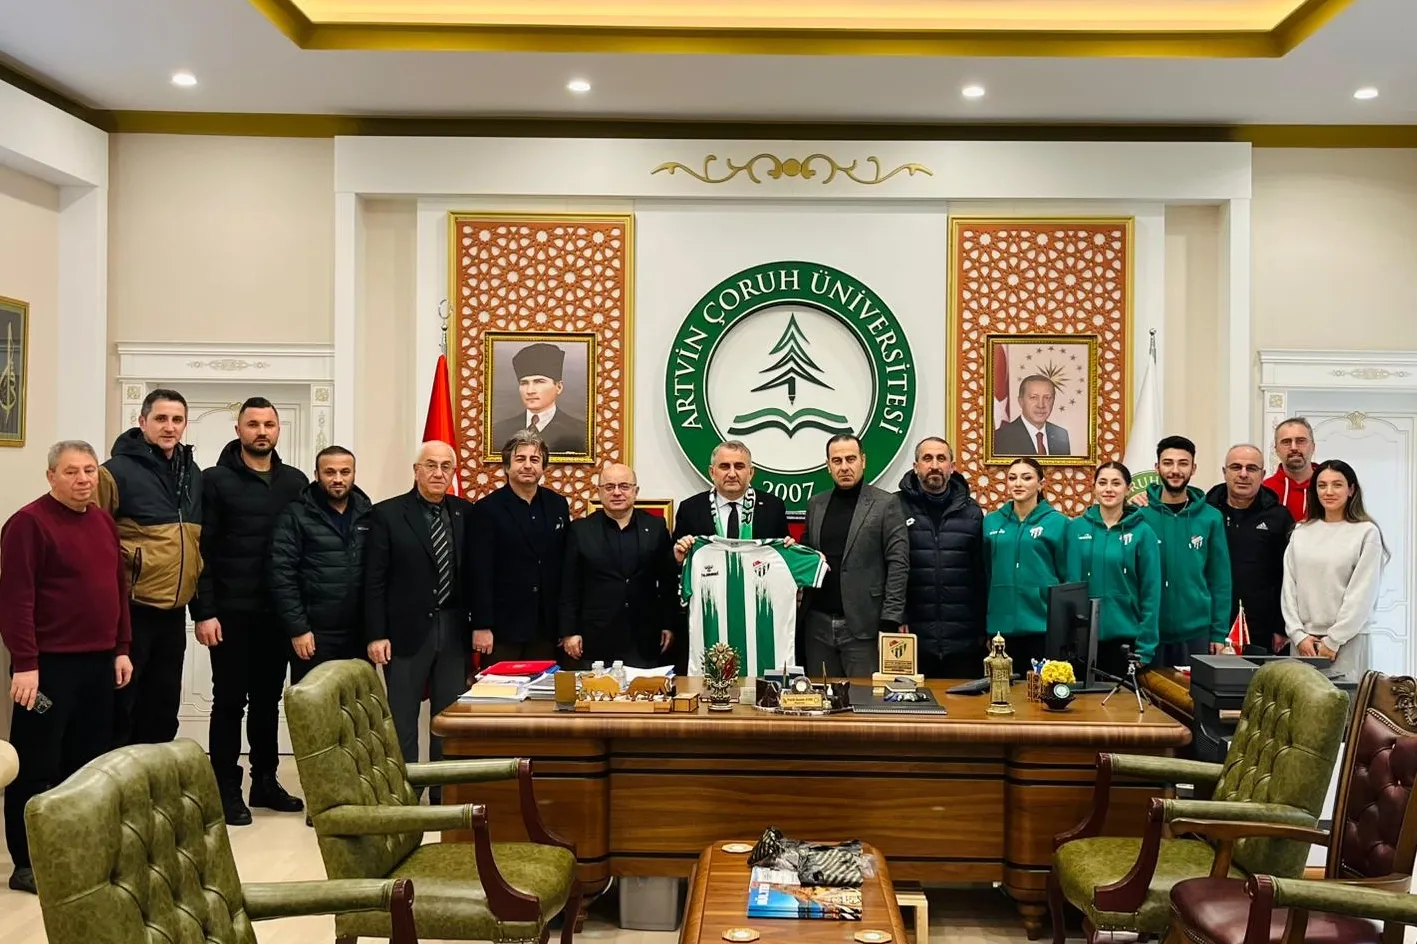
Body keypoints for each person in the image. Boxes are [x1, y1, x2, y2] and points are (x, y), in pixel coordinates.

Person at [0, 441, 133, 894]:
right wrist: (25, 664)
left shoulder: (102, 521)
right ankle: (27, 862)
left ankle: (77, 852)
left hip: (98, 664)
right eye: (71, 471)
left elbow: (117, 589)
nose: (82, 480)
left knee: (86, 764)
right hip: (46, 670)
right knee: (37, 763)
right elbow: (15, 600)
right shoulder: (28, 523)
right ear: (51, 476)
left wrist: (121, 648)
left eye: (89, 470)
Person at [190, 397, 308, 825]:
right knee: (228, 703)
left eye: (269, 424)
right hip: (229, 615)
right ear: (238, 430)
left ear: (278, 430)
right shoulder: (214, 480)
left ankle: (265, 782)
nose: (262, 431)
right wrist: (203, 611)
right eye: (253, 424)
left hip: (276, 615)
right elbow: (199, 550)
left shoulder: (295, 482)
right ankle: (225, 789)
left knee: (267, 702)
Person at [97, 388, 202, 748]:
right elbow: (94, 537)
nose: (169, 427)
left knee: (163, 707)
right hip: (132, 610)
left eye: (177, 419)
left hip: (173, 613)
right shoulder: (114, 472)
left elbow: (195, 541)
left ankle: (154, 779)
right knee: (123, 706)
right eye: (161, 419)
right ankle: (118, 779)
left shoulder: (192, 472)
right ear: (142, 422)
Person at [365, 441, 474, 772]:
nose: (438, 473)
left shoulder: (466, 513)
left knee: (448, 718)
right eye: (431, 465)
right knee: (402, 719)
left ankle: (444, 791)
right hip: (405, 633)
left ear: (453, 473)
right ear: (416, 471)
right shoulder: (387, 514)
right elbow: (374, 580)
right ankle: (405, 790)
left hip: (454, 631)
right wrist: (376, 634)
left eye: (446, 467)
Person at [671, 440, 789, 673]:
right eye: (724, 466)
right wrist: (678, 557)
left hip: (758, 612)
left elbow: (781, 558)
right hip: (710, 613)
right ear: (712, 471)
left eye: (739, 466)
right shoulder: (691, 508)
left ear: (751, 472)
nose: (732, 473)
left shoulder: (773, 507)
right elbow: (673, 563)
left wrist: (787, 549)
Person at [801, 434, 909, 678]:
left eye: (850, 459)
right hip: (817, 626)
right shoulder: (816, 504)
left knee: (865, 698)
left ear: (863, 461)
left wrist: (890, 620)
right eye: (837, 461)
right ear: (828, 466)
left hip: (865, 626)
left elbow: (898, 564)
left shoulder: (886, 504)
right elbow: (807, 554)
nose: (844, 467)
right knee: (821, 697)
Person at [268, 445, 373, 684]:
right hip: (314, 635)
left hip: (358, 635)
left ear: (354, 474)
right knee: (312, 704)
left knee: (356, 703)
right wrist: (298, 629)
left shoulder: (368, 513)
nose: (338, 479)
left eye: (345, 472)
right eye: (329, 472)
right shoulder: (295, 514)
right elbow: (281, 576)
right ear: (316, 475)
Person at [559, 463, 678, 668]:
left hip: (644, 637)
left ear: (635, 491)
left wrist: (668, 624)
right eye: (609, 487)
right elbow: (569, 585)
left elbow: (667, 581)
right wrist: (569, 631)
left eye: (624, 486)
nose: (616, 493)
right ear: (599, 492)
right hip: (595, 636)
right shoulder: (580, 530)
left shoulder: (656, 527)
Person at [470, 430, 571, 664]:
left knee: (543, 687)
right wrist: (482, 625)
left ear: (543, 467)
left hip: (546, 627)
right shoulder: (487, 509)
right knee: (500, 688)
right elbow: (479, 572)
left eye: (534, 460)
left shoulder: (557, 505)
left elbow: (564, 564)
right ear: (507, 466)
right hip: (502, 628)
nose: (527, 466)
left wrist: (565, 624)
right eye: (520, 459)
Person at [1282, 459, 1387, 681]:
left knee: (1346, 702)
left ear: (1351, 490)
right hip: (1304, 644)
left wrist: (1333, 640)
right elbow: (1289, 588)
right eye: (1322, 485)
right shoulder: (1301, 532)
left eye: (1337, 485)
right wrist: (1298, 635)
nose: (1328, 492)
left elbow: (1362, 595)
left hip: (1348, 641)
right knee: (1302, 701)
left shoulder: (1366, 533)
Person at [1135, 436, 1231, 665]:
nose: (1175, 470)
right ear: (1157, 467)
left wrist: (1219, 633)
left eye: (1183, 463)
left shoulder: (1211, 517)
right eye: (1168, 463)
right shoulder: (1139, 515)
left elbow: (1220, 580)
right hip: (1147, 632)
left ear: (1193, 468)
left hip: (1196, 634)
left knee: (1193, 690)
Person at [895, 437, 987, 678]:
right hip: (912, 637)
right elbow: (887, 569)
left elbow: (981, 574)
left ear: (952, 467)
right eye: (927, 459)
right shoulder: (895, 508)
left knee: (963, 701)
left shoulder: (972, 512)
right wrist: (896, 617)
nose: (934, 465)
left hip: (963, 640)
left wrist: (982, 628)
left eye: (941, 458)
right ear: (916, 466)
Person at [1066, 462, 1161, 675]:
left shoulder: (1143, 532)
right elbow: (1069, 584)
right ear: (1093, 487)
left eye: (1116, 483)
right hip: (1081, 640)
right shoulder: (1075, 528)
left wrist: (1145, 647)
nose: (1108, 489)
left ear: (1128, 488)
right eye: (1103, 483)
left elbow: (1151, 593)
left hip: (1125, 641)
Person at [1206, 444, 1294, 655]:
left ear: (1263, 474)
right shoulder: (1205, 513)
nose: (1243, 474)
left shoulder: (1279, 517)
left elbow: (1289, 576)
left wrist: (1281, 626)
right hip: (1211, 624)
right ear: (1224, 472)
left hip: (1263, 629)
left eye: (1252, 468)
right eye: (1236, 467)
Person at [982, 457, 1069, 667]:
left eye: (1026, 478)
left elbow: (1067, 577)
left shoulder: (1059, 523)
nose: (1018, 483)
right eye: (1012, 478)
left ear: (1041, 484)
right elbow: (986, 572)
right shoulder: (991, 522)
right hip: (1000, 630)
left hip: (1043, 628)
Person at [491, 341, 588, 455]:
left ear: (559, 387)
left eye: (539, 382)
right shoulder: (499, 430)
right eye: (524, 383)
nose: (530, 390)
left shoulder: (580, 431)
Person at [994, 375, 1072, 457]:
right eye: (1034, 397)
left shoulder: (1062, 435)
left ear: (1053, 401)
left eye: (1047, 398)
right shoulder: (1001, 438)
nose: (1041, 405)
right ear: (1021, 401)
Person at [1264, 417, 1317, 521]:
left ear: (1313, 447)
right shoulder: (1264, 491)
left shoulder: (1329, 488)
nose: (1294, 447)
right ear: (1276, 449)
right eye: (1286, 442)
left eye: (1301, 441)